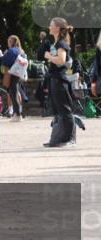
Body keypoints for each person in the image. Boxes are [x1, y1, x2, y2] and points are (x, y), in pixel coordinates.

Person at [43, 17, 77, 148]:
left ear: (57, 28)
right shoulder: (56, 42)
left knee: (65, 110)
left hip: (60, 80)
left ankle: (70, 139)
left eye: (51, 25)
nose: (49, 27)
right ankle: (57, 138)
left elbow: (61, 60)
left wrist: (49, 56)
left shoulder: (61, 43)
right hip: (54, 79)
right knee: (57, 110)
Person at [1, 35, 28, 121]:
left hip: (12, 73)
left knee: (13, 93)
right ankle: (18, 113)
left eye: (9, 41)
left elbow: (5, 62)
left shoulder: (11, 51)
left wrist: (4, 55)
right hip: (19, 74)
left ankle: (17, 114)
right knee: (16, 93)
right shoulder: (21, 51)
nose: (8, 43)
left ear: (11, 42)